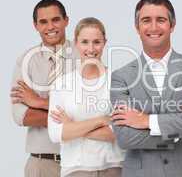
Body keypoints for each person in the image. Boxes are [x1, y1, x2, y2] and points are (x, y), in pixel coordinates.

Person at [110, 0, 182, 177]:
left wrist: (147, 121)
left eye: (160, 20)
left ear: (172, 25)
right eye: (146, 20)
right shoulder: (121, 77)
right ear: (137, 27)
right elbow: (125, 137)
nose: (153, 27)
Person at [48, 17, 125, 177]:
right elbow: (55, 134)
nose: (91, 48)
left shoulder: (118, 81)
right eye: (85, 42)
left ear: (105, 42)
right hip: (75, 170)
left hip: (113, 168)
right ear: (76, 43)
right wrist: (101, 121)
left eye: (96, 42)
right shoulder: (62, 84)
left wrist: (73, 126)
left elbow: (118, 133)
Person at [10, 0, 77, 177]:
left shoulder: (85, 56)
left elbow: (90, 111)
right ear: (36, 25)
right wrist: (71, 119)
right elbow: (21, 116)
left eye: (55, 20)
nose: (50, 27)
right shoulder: (25, 61)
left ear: (66, 20)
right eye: (43, 22)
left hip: (81, 163)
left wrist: (37, 102)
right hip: (40, 166)